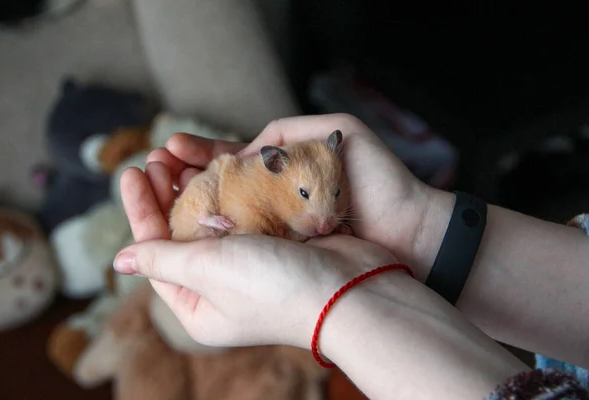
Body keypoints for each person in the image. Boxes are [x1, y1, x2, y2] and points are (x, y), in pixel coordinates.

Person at [113, 113, 589, 399]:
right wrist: (425, 232)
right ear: (275, 168)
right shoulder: (252, 179)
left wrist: (344, 303)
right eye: (304, 194)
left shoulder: (320, 194)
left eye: (337, 195)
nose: (326, 220)